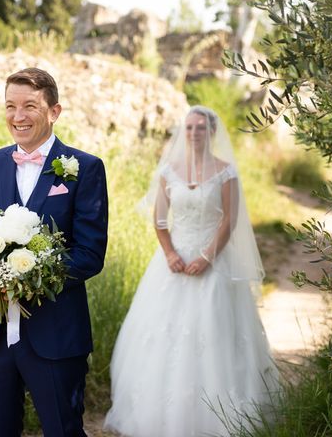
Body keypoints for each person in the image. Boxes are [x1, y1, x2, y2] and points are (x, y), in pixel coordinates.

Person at [104, 106, 279, 437]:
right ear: (183, 132)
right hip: (173, 264)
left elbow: (230, 220)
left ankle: (219, 415)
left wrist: (208, 257)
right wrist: (170, 254)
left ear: (212, 132)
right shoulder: (169, 171)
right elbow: (159, 220)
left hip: (214, 260)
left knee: (215, 331)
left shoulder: (226, 172)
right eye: (189, 128)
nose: (195, 133)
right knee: (161, 334)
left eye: (201, 128)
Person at [0, 67, 109, 436]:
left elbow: (90, 253)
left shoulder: (85, 169)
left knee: (63, 430)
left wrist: (28, 277)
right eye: (10, 106)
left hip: (56, 334)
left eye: (30, 106)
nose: (18, 116)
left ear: (54, 111)